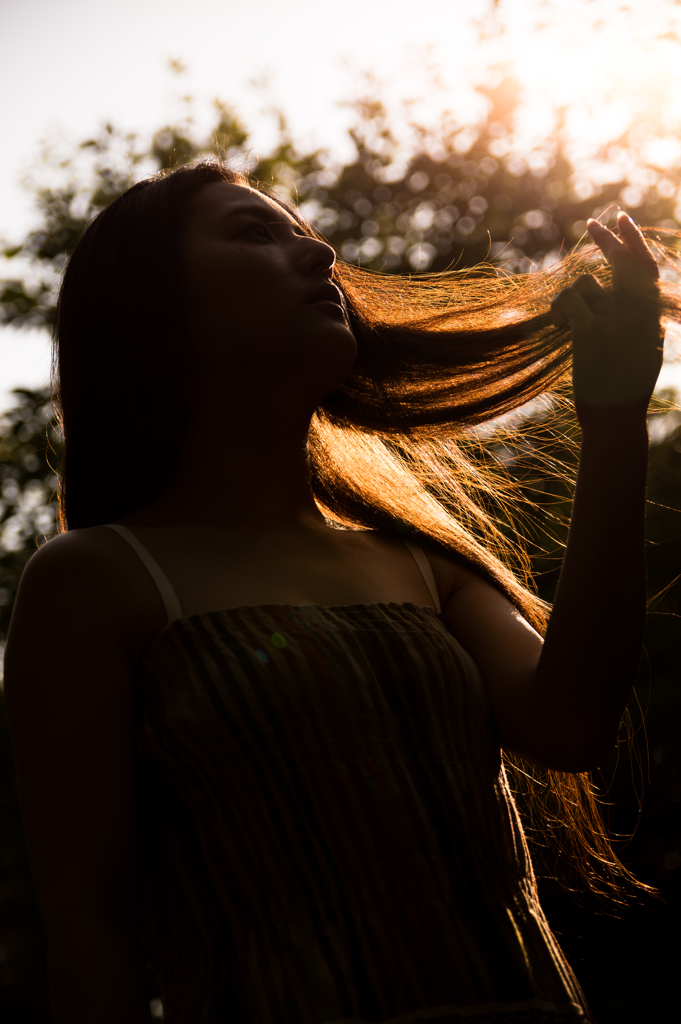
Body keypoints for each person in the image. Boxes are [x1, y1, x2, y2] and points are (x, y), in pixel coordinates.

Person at [3, 161, 667, 1024]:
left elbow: (570, 723)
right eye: (254, 232)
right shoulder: (94, 579)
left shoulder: (419, 558)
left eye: (301, 229)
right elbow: (88, 919)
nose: (318, 252)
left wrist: (615, 423)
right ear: (150, 304)